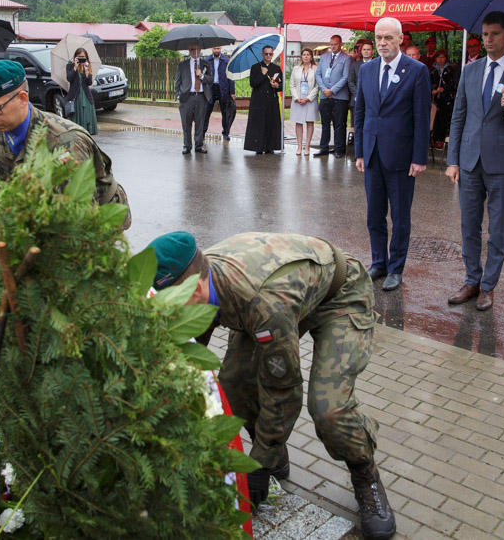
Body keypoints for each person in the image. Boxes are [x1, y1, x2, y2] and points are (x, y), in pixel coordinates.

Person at [145, 231, 397, 540]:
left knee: (328, 409)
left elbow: (283, 389)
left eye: (172, 301)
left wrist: (257, 465)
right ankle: (274, 453)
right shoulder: (202, 279)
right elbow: (190, 359)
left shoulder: (259, 302)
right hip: (287, 296)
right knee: (232, 385)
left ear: (195, 288)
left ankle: (365, 475)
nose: (169, 310)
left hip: (339, 296)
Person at [0, 60, 131, 412]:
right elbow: (1, 202)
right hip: (38, 235)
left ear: (23, 98)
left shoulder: (63, 144)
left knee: (74, 322)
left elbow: (75, 226)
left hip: (93, 229)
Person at [445, 11, 504, 311]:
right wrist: (453, 160)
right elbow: (459, 116)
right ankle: (472, 280)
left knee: (497, 229)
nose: (488, 39)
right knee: (468, 225)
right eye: (485, 34)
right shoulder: (470, 70)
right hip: (470, 159)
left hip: (502, 162)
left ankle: (489, 286)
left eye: (495, 34)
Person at [354, 17, 431, 291]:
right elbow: (361, 112)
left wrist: (419, 157)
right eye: (378, 38)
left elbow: (421, 118)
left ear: (401, 39)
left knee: (400, 218)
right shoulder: (367, 70)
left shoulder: (417, 71)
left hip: (401, 157)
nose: (382, 43)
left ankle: (396, 268)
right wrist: (360, 152)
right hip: (372, 154)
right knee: (374, 216)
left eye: (388, 38)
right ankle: (379, 262)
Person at [314, 35, 351, 158]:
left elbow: (345, 77)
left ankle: (339, 148)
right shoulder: (324, 57)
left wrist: (333, 90)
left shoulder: (346, 58)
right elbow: (318, 74)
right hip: (325, 96)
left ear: (340, 44)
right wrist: (324, 89)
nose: (333, 46)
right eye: (331, 44)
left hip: (340, 96)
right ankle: (324, 147)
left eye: (335, 44)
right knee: (325, 123)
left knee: (339, 124)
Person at [174, 43, 213, 154]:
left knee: (200, 123)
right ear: (189, 50)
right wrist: (178, 95)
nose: (194, 52)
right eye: (192, 50)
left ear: (200, 50)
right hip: (187, 97)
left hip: (201, 97)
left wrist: (202, 76)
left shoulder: (206, 64)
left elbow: (210, 79)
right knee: (186, 123)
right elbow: (177, 82)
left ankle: (199, 145)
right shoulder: (182, 65)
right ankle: (187, 145)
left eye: (196, 49)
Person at [245, 46, 283, 154]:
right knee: (259, 124)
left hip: (271, 99)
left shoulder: (276, 68)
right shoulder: (255, 67)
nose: (268, 56)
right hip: (258, 100)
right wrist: (262, 74)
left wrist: (276, 85)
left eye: (270, 54)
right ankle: (258, 146)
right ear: (262, 55)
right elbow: (253, 83)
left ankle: (270, 146)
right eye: (266, 54)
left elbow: (281, 85)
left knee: (271, 123)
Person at [289, 48, 319, 156]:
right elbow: (291, 84)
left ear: (311, 57)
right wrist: (296, 97)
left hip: (310, 99)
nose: (306, 56)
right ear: (301, 56)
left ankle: (307, 147)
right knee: (299, 122)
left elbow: (317, 85)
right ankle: (299, 146)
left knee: (310, 121)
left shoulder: (316, 69)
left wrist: (308, 98)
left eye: (308, 54)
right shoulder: (296, 69)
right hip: (298, 98)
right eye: (304, 54)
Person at [204, 46, 236, 139]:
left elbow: (231, 77)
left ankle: (226, 133)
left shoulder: (226, 60)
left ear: (221, 48)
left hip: (223, 88)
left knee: (225, 112)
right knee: (206, 111)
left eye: (218, 48)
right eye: (214, 48)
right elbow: (203, 76)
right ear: (211, 49)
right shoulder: (207, 60)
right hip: (210, 88)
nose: (216, 50)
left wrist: (232, 92)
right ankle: (202, 132)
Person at [66, 47, 99, 137]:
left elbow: (89, 82)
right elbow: (69, 79)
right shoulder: (70, 66)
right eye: (79, 57)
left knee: (87, 118)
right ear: (75, 58)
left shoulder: (87, 66)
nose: (81, 58)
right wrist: (75, 67)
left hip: (86, 97)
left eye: (83, 57)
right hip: (75, 97)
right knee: (76, 118)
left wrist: (87, 71)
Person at [430, 49, 456, 149]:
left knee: (443, 119)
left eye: (442, 57)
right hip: (434, 98)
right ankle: (433, 139)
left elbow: (453, 83)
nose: (440, 59)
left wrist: (444, 89)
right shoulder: (431, 70)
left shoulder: (451, 69)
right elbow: (427, 82)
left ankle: (441, 139)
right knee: (434, 119)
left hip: (446, 98)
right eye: (438, 57)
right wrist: (433, 89)